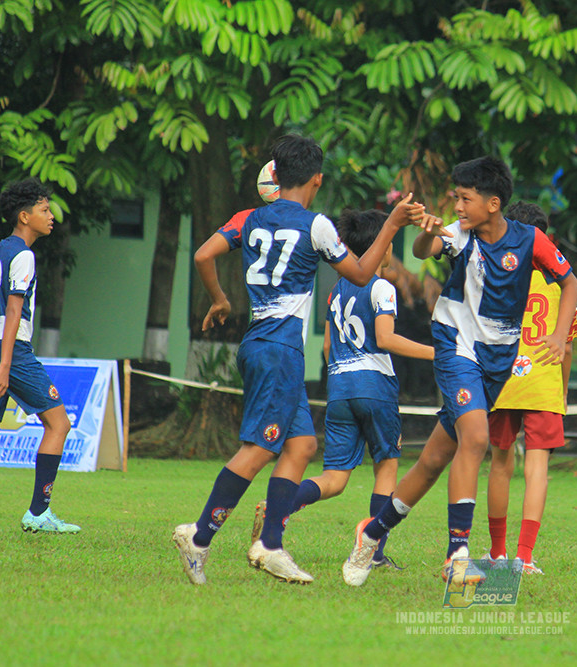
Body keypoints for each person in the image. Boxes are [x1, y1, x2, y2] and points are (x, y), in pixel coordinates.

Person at [172, 134, 424, 585]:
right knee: (260, 448)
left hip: (260, 344)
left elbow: (204, 253)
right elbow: (364, 273)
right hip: (280, 351)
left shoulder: (248, 217)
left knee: (303, 446)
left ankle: (270, 545)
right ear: (316, 179)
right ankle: (200, 536)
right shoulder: (316, 225)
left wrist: (220, 300)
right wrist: (391, 224)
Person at [342, 156, 577, 587]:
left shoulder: (530, 241)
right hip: (454, 348)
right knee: (476, 437)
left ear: (492, 203)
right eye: (455, 198)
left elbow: (571, 282)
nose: (457, 206)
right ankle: (458, 554)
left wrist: (561, 336)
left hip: (496, 362)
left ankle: (372, 533)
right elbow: (422, 251)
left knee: (433, 461)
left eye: (464, 199)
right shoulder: (458, 233)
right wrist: (426, 235)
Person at [250, 208, 434, 571]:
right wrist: (437, 352)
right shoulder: (381, 287)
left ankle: (280, 506)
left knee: (334, 479)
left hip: (339, 388)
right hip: (374, 386)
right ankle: (374, 553)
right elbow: (385, 338)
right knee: (387, 466)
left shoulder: (337, 290)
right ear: (383, 247)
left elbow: (327, 348)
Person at [483, 201, 577, 575]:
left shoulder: (499, 275)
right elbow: (568, 346)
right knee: (536, 469)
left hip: (503, 380)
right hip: (543, 381)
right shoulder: (560, 284)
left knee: (499, 464)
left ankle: (497, 552)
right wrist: (563, 390)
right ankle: (524, 557)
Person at [0, 179, 77, 533]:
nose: (51, 216)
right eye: (44, 210)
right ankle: (38, 513)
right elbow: (12, 310)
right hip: (10, 349)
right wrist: (6, 364)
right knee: (59, 423)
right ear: (25, 216)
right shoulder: (24, 254)